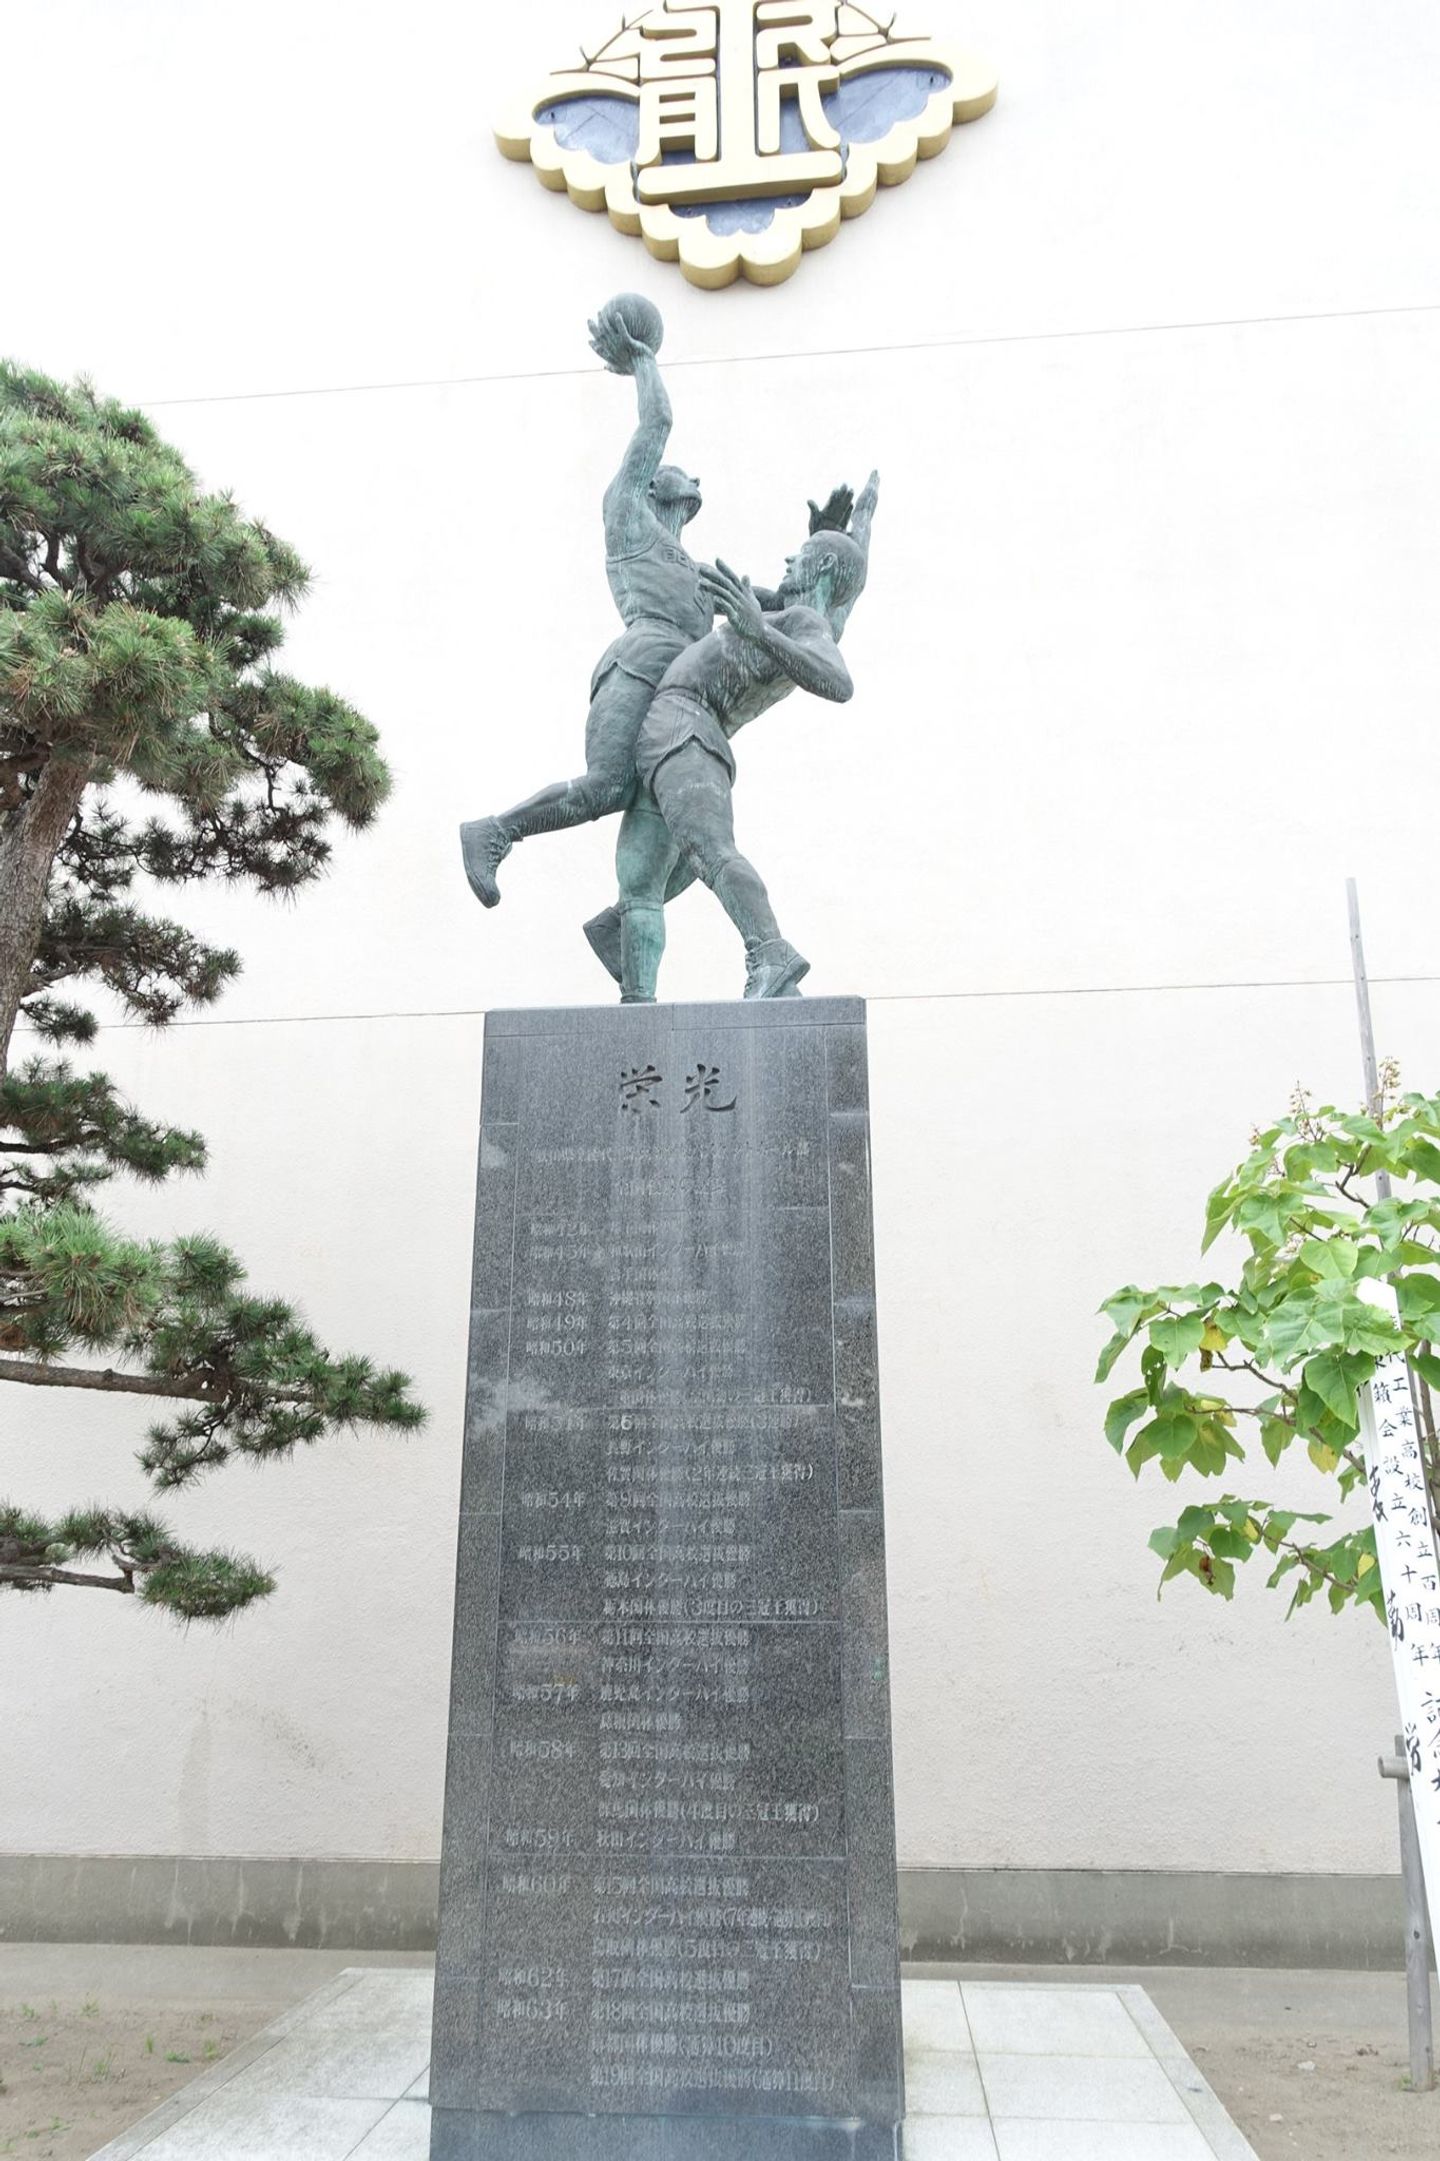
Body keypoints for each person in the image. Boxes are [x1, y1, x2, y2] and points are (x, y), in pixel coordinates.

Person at [459, 299, 712, 907]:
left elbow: (779, 607)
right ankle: (495, 831)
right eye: (680, 473)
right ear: (654, 486)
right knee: (607, 788)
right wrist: (644, 361)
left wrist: (837, 546)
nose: (695, 479)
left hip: (685, 692)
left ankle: (621, 923)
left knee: (699, 821)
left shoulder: (700, 575)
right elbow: (655, 429)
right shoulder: (629, 519)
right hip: (637, 665)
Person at [611, 475, 879, 1003]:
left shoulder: (800, 626)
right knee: (639, 880)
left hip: (687, 728)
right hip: (674, 732)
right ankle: (635, 1005)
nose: (787, 561)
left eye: (803, 555)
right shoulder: (807, 617)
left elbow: (839, 683)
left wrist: (757, 630)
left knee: (711, 851)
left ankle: (769, 952)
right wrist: (859, 526)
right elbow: (845, 592)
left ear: (822, 567)